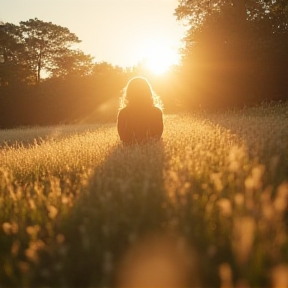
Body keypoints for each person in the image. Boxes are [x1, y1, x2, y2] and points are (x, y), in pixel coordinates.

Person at [117, 77, 163, 144]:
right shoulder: (156, 112)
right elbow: (157, 136)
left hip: (130, 152)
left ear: (129, 93)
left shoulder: (123, 113)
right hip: (151, 151)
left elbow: (123, 138)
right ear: (148, 92)